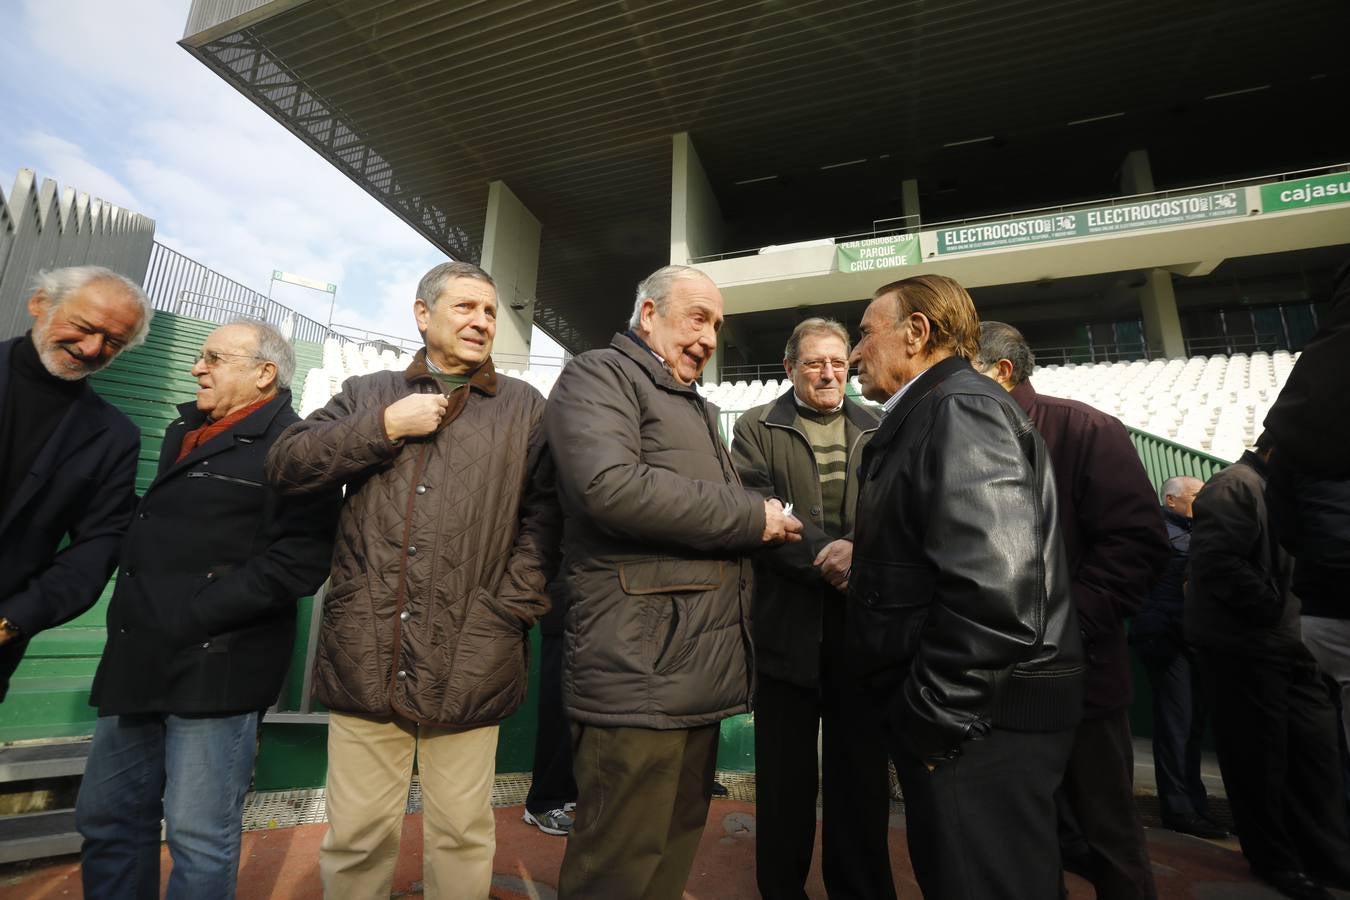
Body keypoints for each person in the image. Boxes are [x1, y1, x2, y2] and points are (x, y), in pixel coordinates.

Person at [265, 261, 559, 899]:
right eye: (465, 308)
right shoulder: (371, 391)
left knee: (461, 835)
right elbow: (288, 462)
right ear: (422, 315)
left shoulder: (523, 408)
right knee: (359, 836)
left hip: (473, 651)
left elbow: (547, 522)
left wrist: (507, 612)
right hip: (367, 648)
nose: (481, 321)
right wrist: (385, 427)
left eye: (489, 311)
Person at [546, 264, 802, 900]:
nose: (710, 337)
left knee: (671, 851)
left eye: (717, 324)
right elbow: (610, 488)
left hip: (693, 672)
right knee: (619, 868)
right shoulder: (598, 373)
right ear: (648, 314)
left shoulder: (693, 404)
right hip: (638, 671)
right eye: (697, 318)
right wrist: (752, 517)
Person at [76, 320, 339, 899]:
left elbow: (298, 562)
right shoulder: (185, 428)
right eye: (200, 357)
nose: (199, 368)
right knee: (108, 819)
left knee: (198, 837)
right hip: (138, 657)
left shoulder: (294, 447)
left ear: (264, 374)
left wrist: (194, 611)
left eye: (215, 358)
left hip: (214, 667)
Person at [847, 275, 1084, 900]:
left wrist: (932, 717)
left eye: (866, 333)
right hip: (976, 720)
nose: (852, 353)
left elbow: (994, 593)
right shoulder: (942, 407)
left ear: (917, 333)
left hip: (977, 727)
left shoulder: (959, 406)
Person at [976, 320, 1170, 899]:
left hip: (1082, 684)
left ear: (1003, 372)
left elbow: (1136, 546)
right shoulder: (966, 436)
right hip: (1000, 688)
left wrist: (1065, 632)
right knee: (1026, 845)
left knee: (1108, 840)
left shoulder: (1084, 428)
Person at [730, 317, 893, 900]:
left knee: (861, 782)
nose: (828, 373)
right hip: (786, 635)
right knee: (785, 786)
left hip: (863, 633)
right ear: (789, 367)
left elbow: (898, 515)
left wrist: (862, 556)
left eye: (838, 362)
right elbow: (756, 512)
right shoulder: (755, 427)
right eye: (813, 363)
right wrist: (829, 552)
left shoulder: (880, 425)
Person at [1186, 435, 1350, 900]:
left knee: (1318, 764)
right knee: (1262, 767)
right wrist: (1273, 610)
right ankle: (1277, 863)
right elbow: (1218, 564)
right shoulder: (1235, 485)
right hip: (1250, 652)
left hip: (1294, 650)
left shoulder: (1280, 487)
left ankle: (1329, 858)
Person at [0, 266, 148, 701]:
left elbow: (100, 543)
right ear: (40, 303)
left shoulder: (116, 436)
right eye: (84, 328)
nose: (91, 349)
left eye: (114, 343)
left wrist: (12, 620)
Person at [1129, 475, 1226, 839]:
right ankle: (1179, 807)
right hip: (1168, 641)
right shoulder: (1158, 534)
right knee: (1177, 725)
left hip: (1190, 640)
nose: (1202, 502)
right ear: (1171, 500)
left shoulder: (1195, 534)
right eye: (1195, 496)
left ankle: (1193, 804)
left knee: (1190, 726)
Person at [521, 580, 578, 836]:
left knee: (591, 709)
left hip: (602, 609)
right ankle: (543, 803)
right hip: (566, 604)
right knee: (558, 708)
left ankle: (569, 790)